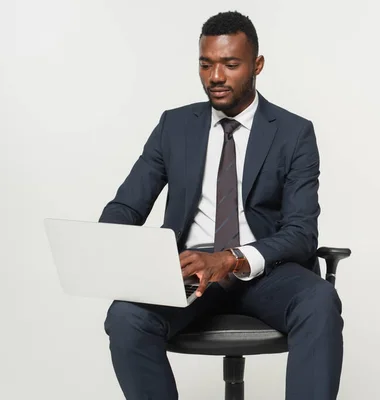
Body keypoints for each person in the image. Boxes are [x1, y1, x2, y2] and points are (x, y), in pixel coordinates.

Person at [100, 10, 343, 400]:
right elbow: (126, 206)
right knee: (126, 316)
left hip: (267, 271)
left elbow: (301, 233)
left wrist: (231, 258)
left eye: (230, 64)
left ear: (256, 65)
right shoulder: (174, 127)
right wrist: (112, 245)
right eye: (206, 64)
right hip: (189, 273)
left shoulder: (295, 133)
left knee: (319, 301)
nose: (215, 77)